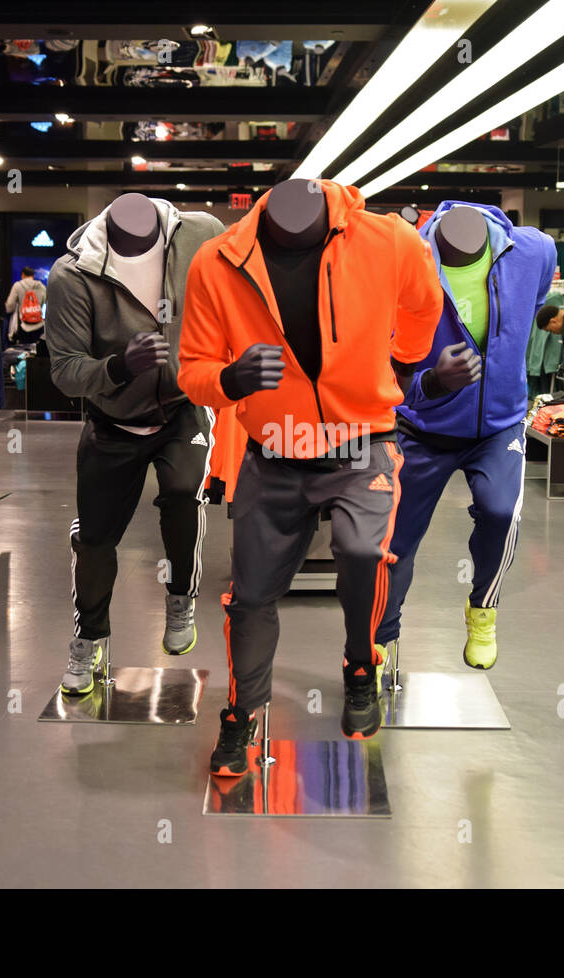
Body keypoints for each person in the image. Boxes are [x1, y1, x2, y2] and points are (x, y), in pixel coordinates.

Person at [178, 178, 442, 774]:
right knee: (249, 597)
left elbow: (425, 306)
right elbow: (192, 368)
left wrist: (400, 359)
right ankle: (243, 710)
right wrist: (229, 380)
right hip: (274, 451)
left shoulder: (390, 240)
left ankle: (359, 664)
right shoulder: (217, 261)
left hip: (361, 442)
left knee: (361, 550)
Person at [46, 195, 224, 698]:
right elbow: (64, 372)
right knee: (97, 538)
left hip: (183, 406)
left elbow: (242, 278)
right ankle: (89, 637)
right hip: (112, 419)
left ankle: (180, 596)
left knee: (184, 493)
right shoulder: (73, 274)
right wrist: (121, 366)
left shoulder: (199, 233)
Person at [376, 202, 555, 672]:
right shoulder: (405, 259)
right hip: (422, 426)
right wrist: (431, 384)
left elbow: (529, 309)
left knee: (501, 512)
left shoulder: (534, 250)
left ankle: (483, 610)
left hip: (498, 426)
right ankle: (377, 644)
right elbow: (384, 362)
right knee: (393, 541)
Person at [5, 267, 47, 343]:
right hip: (39, 326)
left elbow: (9, 307)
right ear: (33, 275)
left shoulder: (17, 286)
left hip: (23, 327)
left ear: (23, 275)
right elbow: (47, 304)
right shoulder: (41, 287)